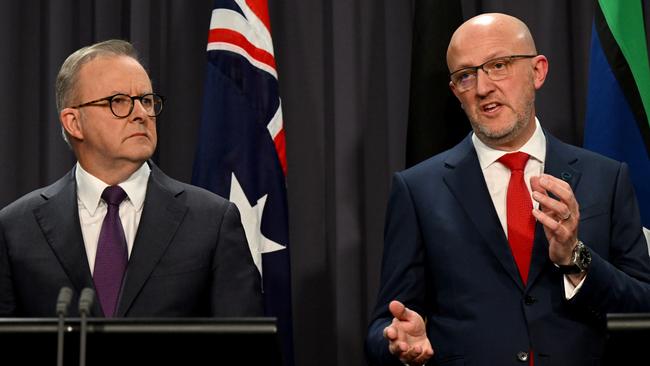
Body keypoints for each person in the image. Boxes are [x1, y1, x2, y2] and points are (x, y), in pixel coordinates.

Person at [366, 13, 650, 366]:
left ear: (538, 71)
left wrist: (574, 257)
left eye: (498, 65)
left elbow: (643, 304)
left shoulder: (606, 179)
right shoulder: (418, 190)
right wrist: (400, 344)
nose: (483, 87)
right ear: (456, 91)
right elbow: (383, 327)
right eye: (466, 76)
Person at [0, 39, 263, 318]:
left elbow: (244, 344)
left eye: (147, 100)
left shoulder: (212, 221)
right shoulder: (16, 228)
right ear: (74, 122)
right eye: (118, 101)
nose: (141, 114)